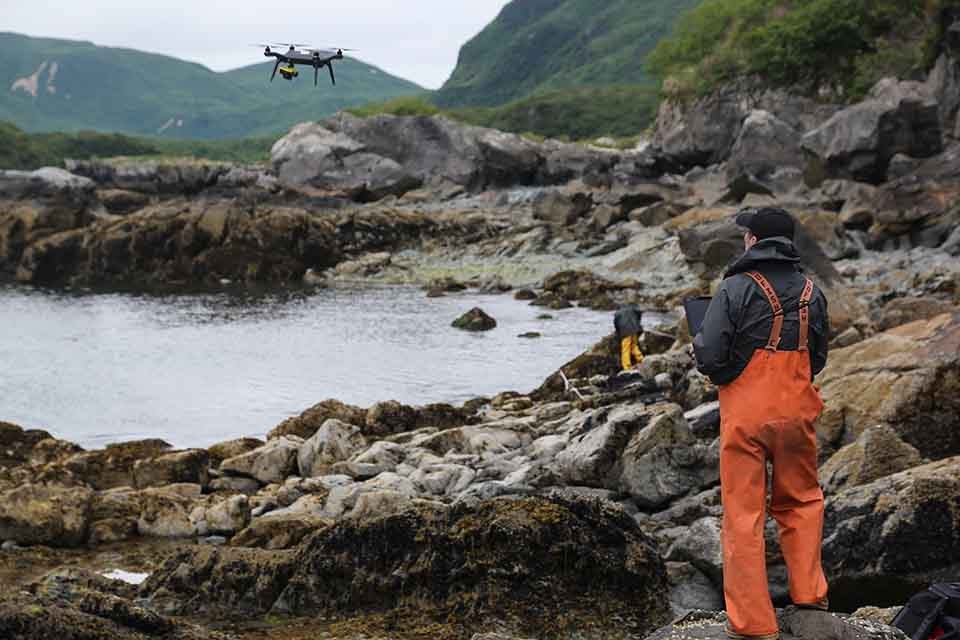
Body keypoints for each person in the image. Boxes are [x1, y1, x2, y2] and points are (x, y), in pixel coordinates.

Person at [692, 207, 830, 640]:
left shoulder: (734, 287)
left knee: (743, 515)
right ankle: (809, 598)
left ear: (752, 240)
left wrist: (724, 370)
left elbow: (711, 356)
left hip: (746, 418)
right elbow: (818, 358)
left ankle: (754, 625)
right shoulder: (812, 291)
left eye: (745, 234)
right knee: (803, 501)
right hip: (797, 413)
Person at [614, 305, 644, 371]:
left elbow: (616, 325)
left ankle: (627, 366)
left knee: (625, 349)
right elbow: (639, 313)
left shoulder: (617, 313)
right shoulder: (632, 308)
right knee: (634, 346)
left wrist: (618, 333)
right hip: (635, 330)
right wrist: (638, 323)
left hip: (625, 332)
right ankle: (641, 359)